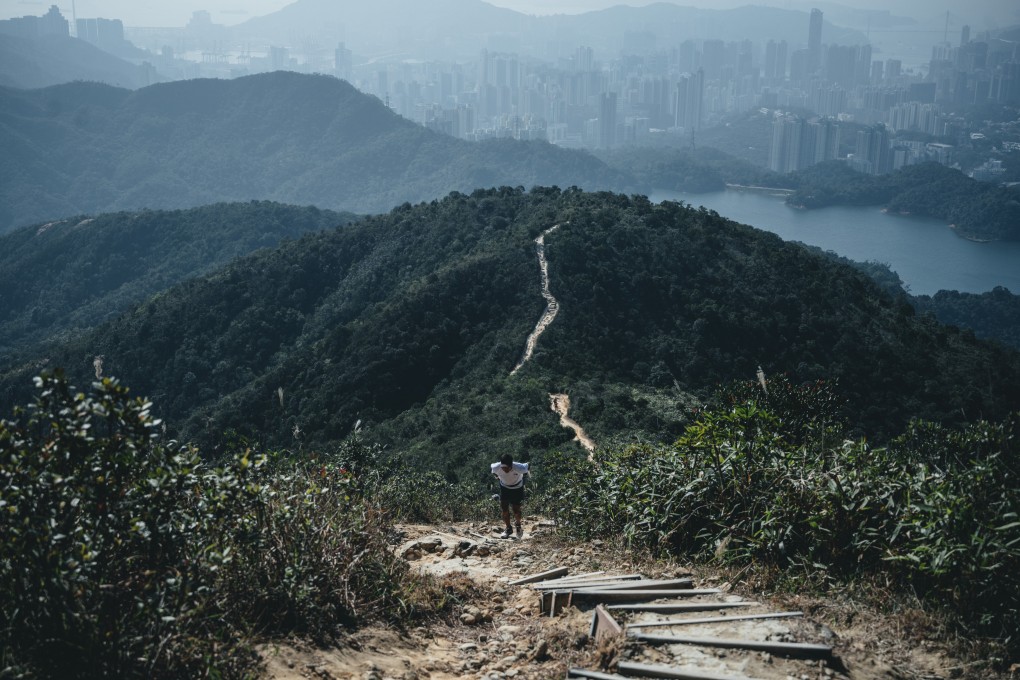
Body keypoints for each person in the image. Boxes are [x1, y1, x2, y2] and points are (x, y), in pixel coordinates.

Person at [491, 454, 529, 538]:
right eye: (503, 467)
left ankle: (518, 525)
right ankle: (508, 528)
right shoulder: (496, 467)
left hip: (517, 488)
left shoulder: (519, 467)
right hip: (504, 487)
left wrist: (523, 478)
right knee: (504, 508)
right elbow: (493, 471)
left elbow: (527, 466)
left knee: (516, 509)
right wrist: (497, 476)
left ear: (511, 465)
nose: (504, 470)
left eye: (507, 468)